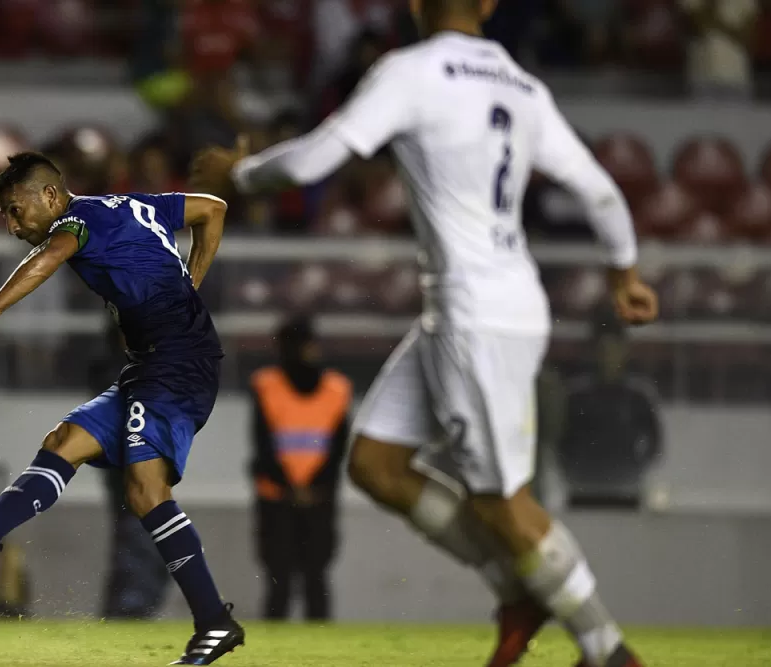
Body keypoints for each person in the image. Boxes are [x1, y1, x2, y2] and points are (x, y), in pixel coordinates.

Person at [190, 2, 660, 666]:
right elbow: (603, 191)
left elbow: (312, 161)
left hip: (478, 315)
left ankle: (606, 648)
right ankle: (517, 589)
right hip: (475, 306)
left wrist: (235, 176)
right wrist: (624, 273)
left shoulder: (411, 72)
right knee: (377, 463)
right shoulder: (521, 87)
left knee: (504, 501)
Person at [0, 152, 245, 665]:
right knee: (65, 441)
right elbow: (212, 209)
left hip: (177, 365)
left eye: (16, 211)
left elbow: (48, 257)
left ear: (49, 195)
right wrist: (190, 282)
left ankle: (214, 622)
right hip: (152, 364)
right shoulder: (128, 205)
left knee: (146, 491)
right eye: (6, 216)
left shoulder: (77, 222)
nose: (15, 226)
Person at [249, 315, 351, 621]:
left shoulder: (337, 389)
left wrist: (303, 488)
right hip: (284, 496)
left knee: (313, 576)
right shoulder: (266, 385)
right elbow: (263, 444)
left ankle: (307, 643)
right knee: (281, 578)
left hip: (306, 496)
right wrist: (299, 488)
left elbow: (338, 448)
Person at [91, 320, 172, 619]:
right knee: (140, 546)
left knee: (142, 547)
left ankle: (123, 612)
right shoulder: (114, 372)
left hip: (143, 475)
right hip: (129, 476)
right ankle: (127, 612)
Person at [560, 305, 663, 510]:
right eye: (602, 349)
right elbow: (560, 442)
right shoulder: (576, 396)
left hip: (625, 491)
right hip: (583, 491)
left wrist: (634, 471)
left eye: (613, 348)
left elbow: (655, 443)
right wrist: (574, 474)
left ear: (624, 351)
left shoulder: (638, 396)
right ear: (593, 351)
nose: (608, 356)